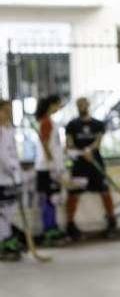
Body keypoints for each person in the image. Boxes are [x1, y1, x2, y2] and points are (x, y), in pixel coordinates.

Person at [65, 97, 116, 240]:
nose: (82, 106)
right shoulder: (72, 125)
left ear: (88, 105)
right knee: (73, 194)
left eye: (84, 104)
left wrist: (89, 150)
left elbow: (98, 142)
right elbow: (69, 143)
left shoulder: (98, 124)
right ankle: (70, 225)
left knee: (105, 191)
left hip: (95, 163)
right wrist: (81, 152)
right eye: (79, 104)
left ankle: (112, 222)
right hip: (80, 165)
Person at [34, 95, 68, 246]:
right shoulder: (46, 122)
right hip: (47, 168)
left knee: (53, 199)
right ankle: (49, 230)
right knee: (49, 199)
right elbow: (45, 143)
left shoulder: (50, 121)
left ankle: (53, 227)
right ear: (51, 105)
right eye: (58, 105)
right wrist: (52, 164)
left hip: (51, 166)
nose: (59, 108)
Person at [0, 100, 23, 261]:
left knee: (8, 210)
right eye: (5, 111)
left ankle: (7, 238)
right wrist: (13, 170)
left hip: (9, 178)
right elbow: (3, 156)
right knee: (2, 212)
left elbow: (12, 154)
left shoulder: (8, 130)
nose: (8, 114)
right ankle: (4, 241)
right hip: (3, 178)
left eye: (10, 110)